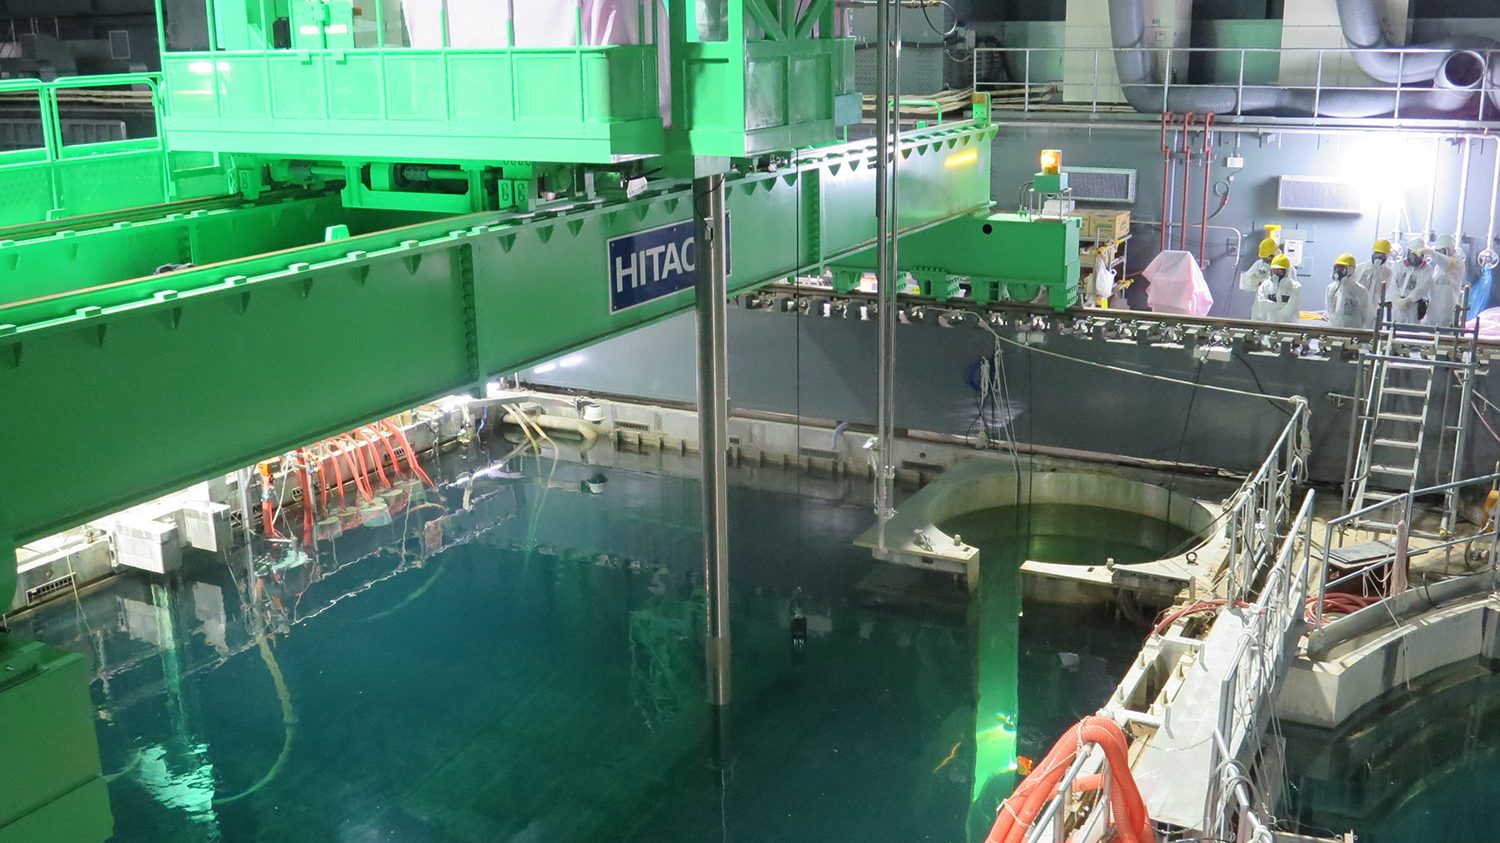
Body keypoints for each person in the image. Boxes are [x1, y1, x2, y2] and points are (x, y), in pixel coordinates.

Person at [1392, 236, 1436, 324]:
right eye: (1413, 254)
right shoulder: (1398, 266)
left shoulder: (1426, 270)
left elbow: (1422, 288)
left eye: (1418, 255)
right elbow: (1391, 284)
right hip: (1396, 305)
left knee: (1409, 333)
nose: (1414, 258)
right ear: (1408, 252)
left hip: (1413, 307)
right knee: (1392, 330)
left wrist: (1407, 300)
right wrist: (1395, 299)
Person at [1425, 233, 1467, 327]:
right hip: (1434, 310)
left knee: (1446, 335)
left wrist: (1431, 252)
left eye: (1442, 251)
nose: (1439, 254)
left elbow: (1447, 263)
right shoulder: (1437, 268)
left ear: (1450, 250)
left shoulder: (1457, 263)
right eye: (1438, 251)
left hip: (1449, 308)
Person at [1325, 253, 1368, 329]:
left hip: (1353, 328)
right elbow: (1329, 308)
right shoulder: (1331, 288)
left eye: (1342, 269)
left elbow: (1364, 313)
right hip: (1334, 327)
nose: (1338, 271)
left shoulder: (1360, 290)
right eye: (1336, 268)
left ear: (1351, 270)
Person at [1252, 255, 1300, 323]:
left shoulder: (1295, 287)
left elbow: (1290, 310)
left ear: (1287, 270)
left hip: (1288, 327)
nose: (1277, 272)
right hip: (1267, 325)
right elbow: (1261, 305)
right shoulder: (1265, 286)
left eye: (1280, 270)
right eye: (1275, 270)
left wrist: (1271, 306)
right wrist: (1281, 305)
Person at [1358, 239, 1395, 326]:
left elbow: (1384, 291)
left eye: (1382, 255)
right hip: (1358, 305)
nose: (1378, 257)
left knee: (1371, 328)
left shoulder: (1387, 273)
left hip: (1374, 306)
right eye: (1377, 253)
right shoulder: (1361, 269)